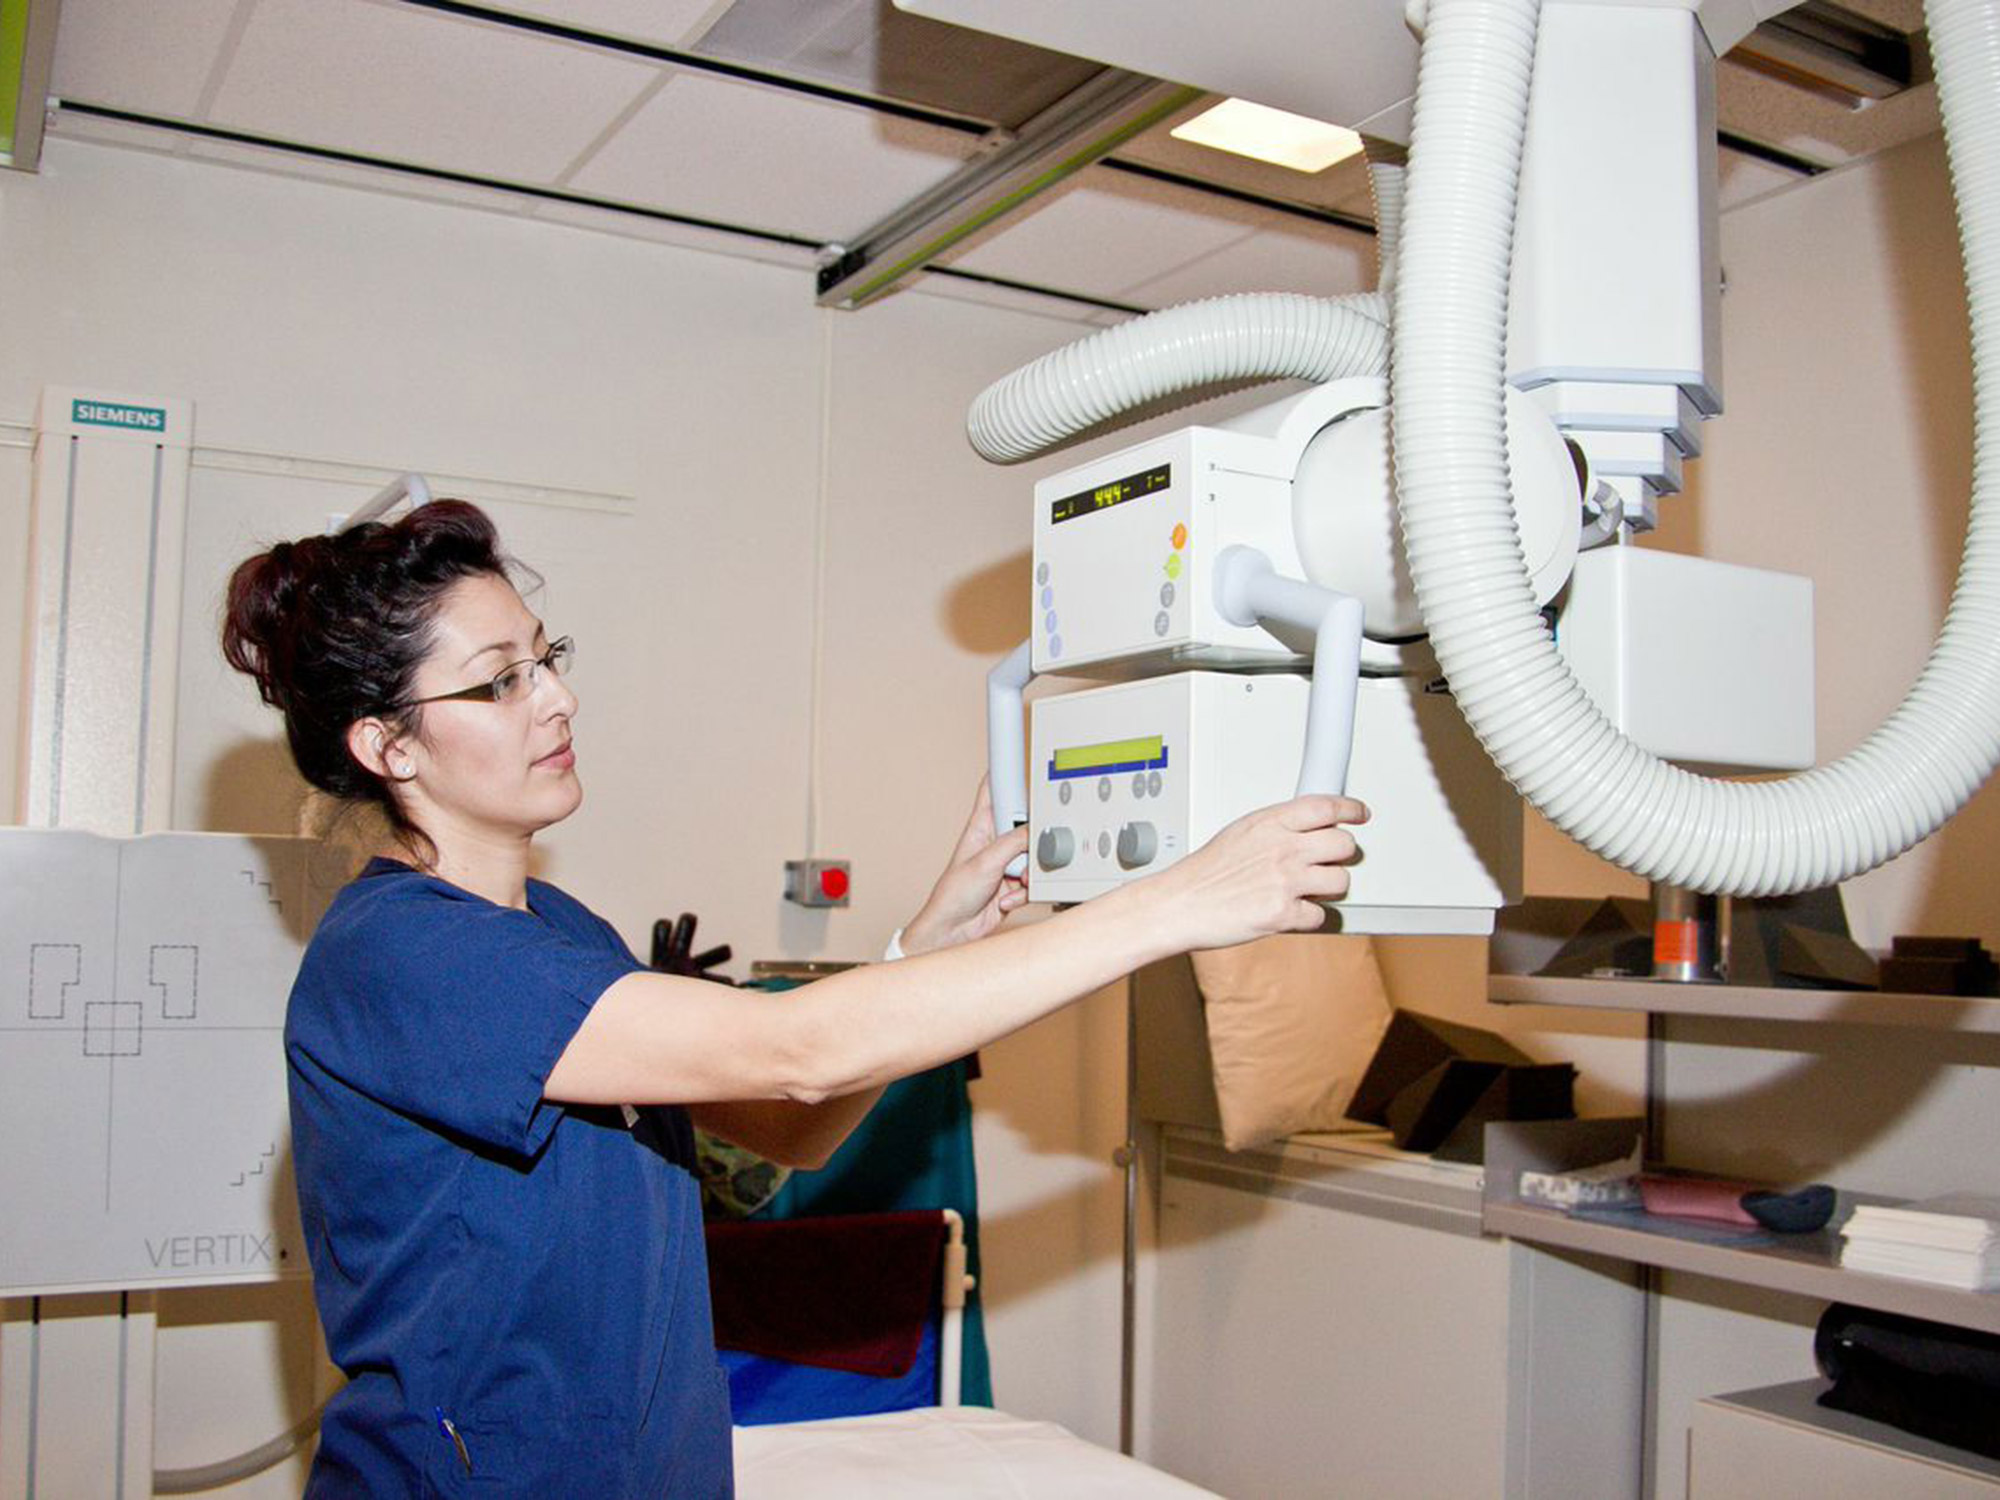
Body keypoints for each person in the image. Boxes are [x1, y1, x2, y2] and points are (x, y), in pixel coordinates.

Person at [222, 499, 1366, 1498]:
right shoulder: (401, 955)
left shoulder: (560, 933)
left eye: (548, 654)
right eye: (501, 681)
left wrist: (926, 939)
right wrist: (1179, 903)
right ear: (388, 746)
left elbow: (790, 1128)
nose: (558, 699)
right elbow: (798, 1051)